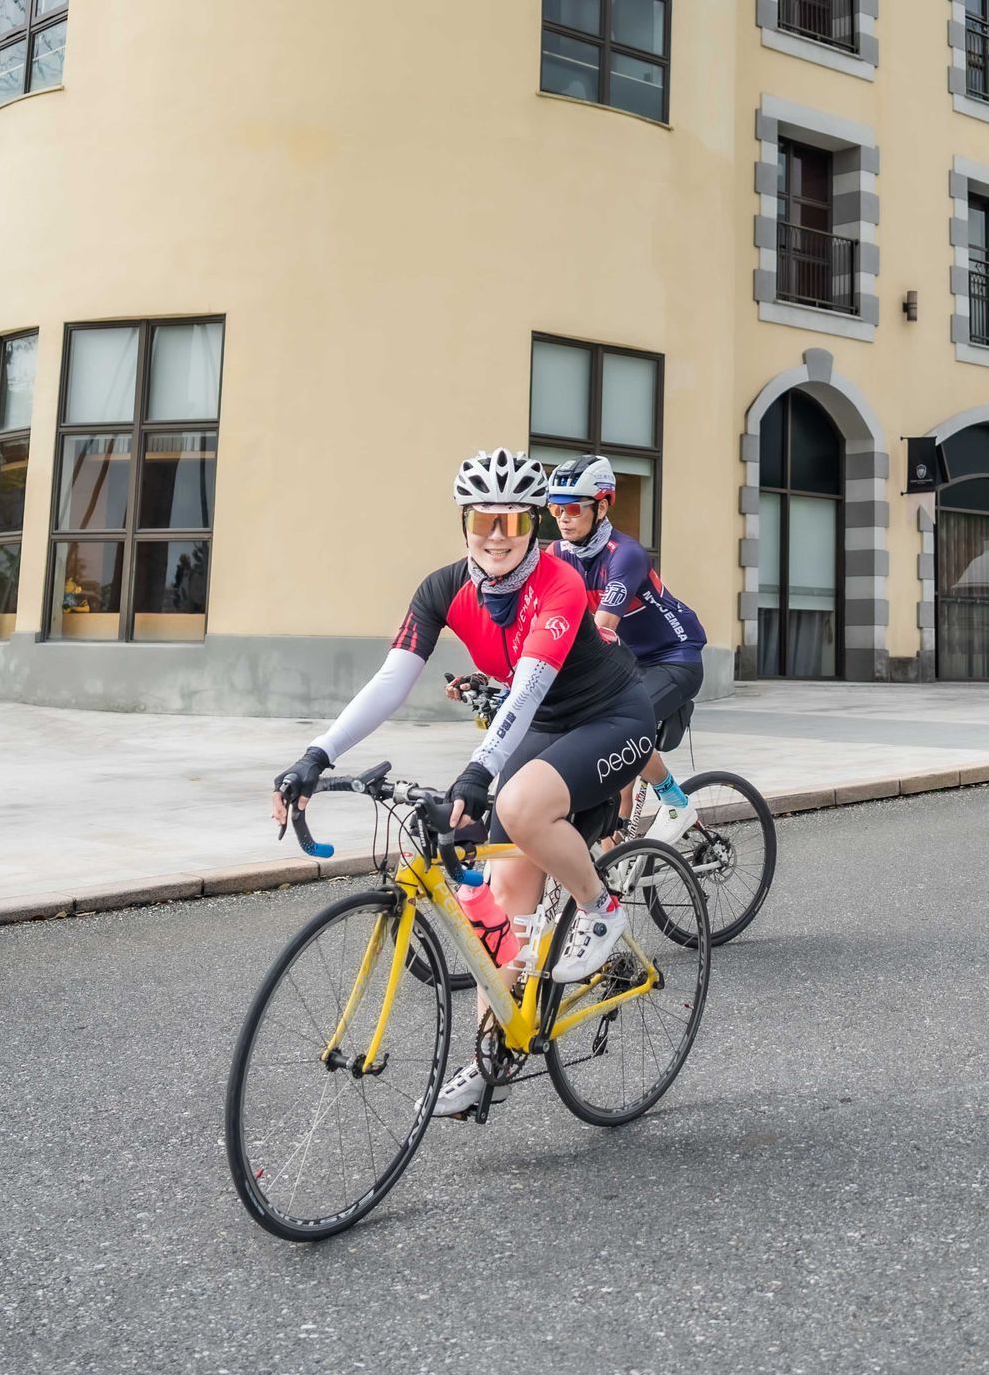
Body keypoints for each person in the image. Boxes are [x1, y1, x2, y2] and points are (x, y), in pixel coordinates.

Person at [271, 447, 659, 1116]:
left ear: (533, 525)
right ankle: (490, 1055)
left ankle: (601, 909)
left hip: (613, 716)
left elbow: (528, 688)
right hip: (546, 726)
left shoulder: (560, 583)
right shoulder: (443, 588)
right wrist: (316, 754)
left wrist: (479, 769)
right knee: (503, 903)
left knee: (520, 804)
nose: (496, 537)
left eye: (512, 521)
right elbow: (391, 680)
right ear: (464, 524)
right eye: (483, 521)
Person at [545, 454, 707, 842]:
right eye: (554, 509)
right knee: (599, 740)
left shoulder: (625, 555)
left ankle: (676, 803)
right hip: (626, 663)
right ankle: (616, 844)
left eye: (572, 508)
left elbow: (601, 630)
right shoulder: (558, 554)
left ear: (601, 507)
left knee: (618, 724)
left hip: (674, 658)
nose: (562, 518)